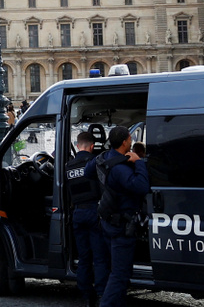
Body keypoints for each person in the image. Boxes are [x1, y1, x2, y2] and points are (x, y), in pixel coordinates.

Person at [86, 126, 149, 307]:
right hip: (121, 225)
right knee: (120, 274)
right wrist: (139, 162)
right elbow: (141, 186)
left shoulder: (104, 159)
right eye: (130, 139)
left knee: (111, 269)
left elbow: (87, 172)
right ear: (125, 142)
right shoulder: (121, 168)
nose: (131, 142)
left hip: (107, 221)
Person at [65, 131, 107, 307]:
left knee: (83, 258)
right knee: (99, 257)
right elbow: (103, 189)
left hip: (77, 214)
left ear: (77, 144)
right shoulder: (94, 162)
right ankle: (101, 293)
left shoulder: (68, 166)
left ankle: (86, 295)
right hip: (93, 211)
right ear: (91, 146)